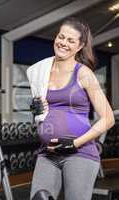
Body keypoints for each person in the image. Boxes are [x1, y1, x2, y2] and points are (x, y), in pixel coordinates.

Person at [29, 17, 115, 200]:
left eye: (71, 40)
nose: (63, 43)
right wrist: (36, 109)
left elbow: (108, 118)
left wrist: (73, 144)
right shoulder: (41, 72)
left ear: (79, 46)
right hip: (48, 152)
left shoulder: (83, 73)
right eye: (61, 37)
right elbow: (43, 113)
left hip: (80, 153)